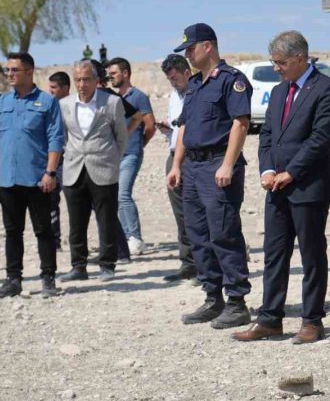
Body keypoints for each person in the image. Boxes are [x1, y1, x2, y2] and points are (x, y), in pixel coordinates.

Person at [233, 31, 330, 344]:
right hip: (277, 187)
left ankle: (312, 320)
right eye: (274, 63)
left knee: (311, 254)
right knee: (274, 254)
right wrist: (268, 169)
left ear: (300, 58)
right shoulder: (280, 91)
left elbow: (320, 139)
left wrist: (292, 172)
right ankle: (270, 319)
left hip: (309, 185)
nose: (277, 68)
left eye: (281, 62)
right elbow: (267, 134)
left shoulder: (327, 89)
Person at [166, 23, 253, 329]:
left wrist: (228, 165)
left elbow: (240, 124)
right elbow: (184, 128)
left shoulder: (232, 80)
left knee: (223, 232)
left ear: (208, 46)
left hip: (218, 163)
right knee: (198, 235)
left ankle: (237, 301)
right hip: (193, 167)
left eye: (191, 48)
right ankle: (212, 296)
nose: (187, 54)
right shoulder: (195, 85)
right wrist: (177, 165)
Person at [0, 52, 65, 299]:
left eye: (14, 70)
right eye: (8, 70)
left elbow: (55, 139)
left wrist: (50, 172)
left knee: (44, 231)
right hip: (9, 179)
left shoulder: (47, 102)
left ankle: (48, 277)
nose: (9, 75)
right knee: (12, 232)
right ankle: (13, 279)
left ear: (29, 72)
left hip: (38, 179)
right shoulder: (1, 103)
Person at [57, 61, 127, 282]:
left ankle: (107, 265)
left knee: (106, 219)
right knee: (76, 222)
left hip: (104, 168)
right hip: (74, 168)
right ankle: (78, 266)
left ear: (97, 80)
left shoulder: (113, 102)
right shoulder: (64, 104)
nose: (82, 84)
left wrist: (113, 159)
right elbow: (64, 137)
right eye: (77, 79)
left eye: (86, 79)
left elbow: (121, 137)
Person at [107, 57, 156, 256]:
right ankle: (124, 237)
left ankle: (135, 237)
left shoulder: (139, 97)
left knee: (123, 194)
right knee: (115, 197)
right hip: (115, 155)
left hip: (131, 154)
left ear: (125, 73)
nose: (111, 77)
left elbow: (150, 126)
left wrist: (138, 145)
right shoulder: (112, 97)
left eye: (114, 74)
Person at [158, 54, 197, 283]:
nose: (173, 83)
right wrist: (167, 131)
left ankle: (205, 265)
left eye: (175, 78)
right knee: (180, 213)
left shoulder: (198, 92)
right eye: (169, 80)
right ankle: (188, 263)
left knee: (196, 213)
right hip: (174, 156)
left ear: (186, 72)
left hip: (193, 158)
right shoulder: (175, 95)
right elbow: (178, 128)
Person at [47, 71, 71, 251]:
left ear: (65, 88)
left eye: (54, 88)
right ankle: (54, 241)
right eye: (50, 87)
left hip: (72, 162)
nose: (51, 91)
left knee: (79, 202)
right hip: (55, 162)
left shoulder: (74, 105)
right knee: (51, 202)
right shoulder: (50, 107)